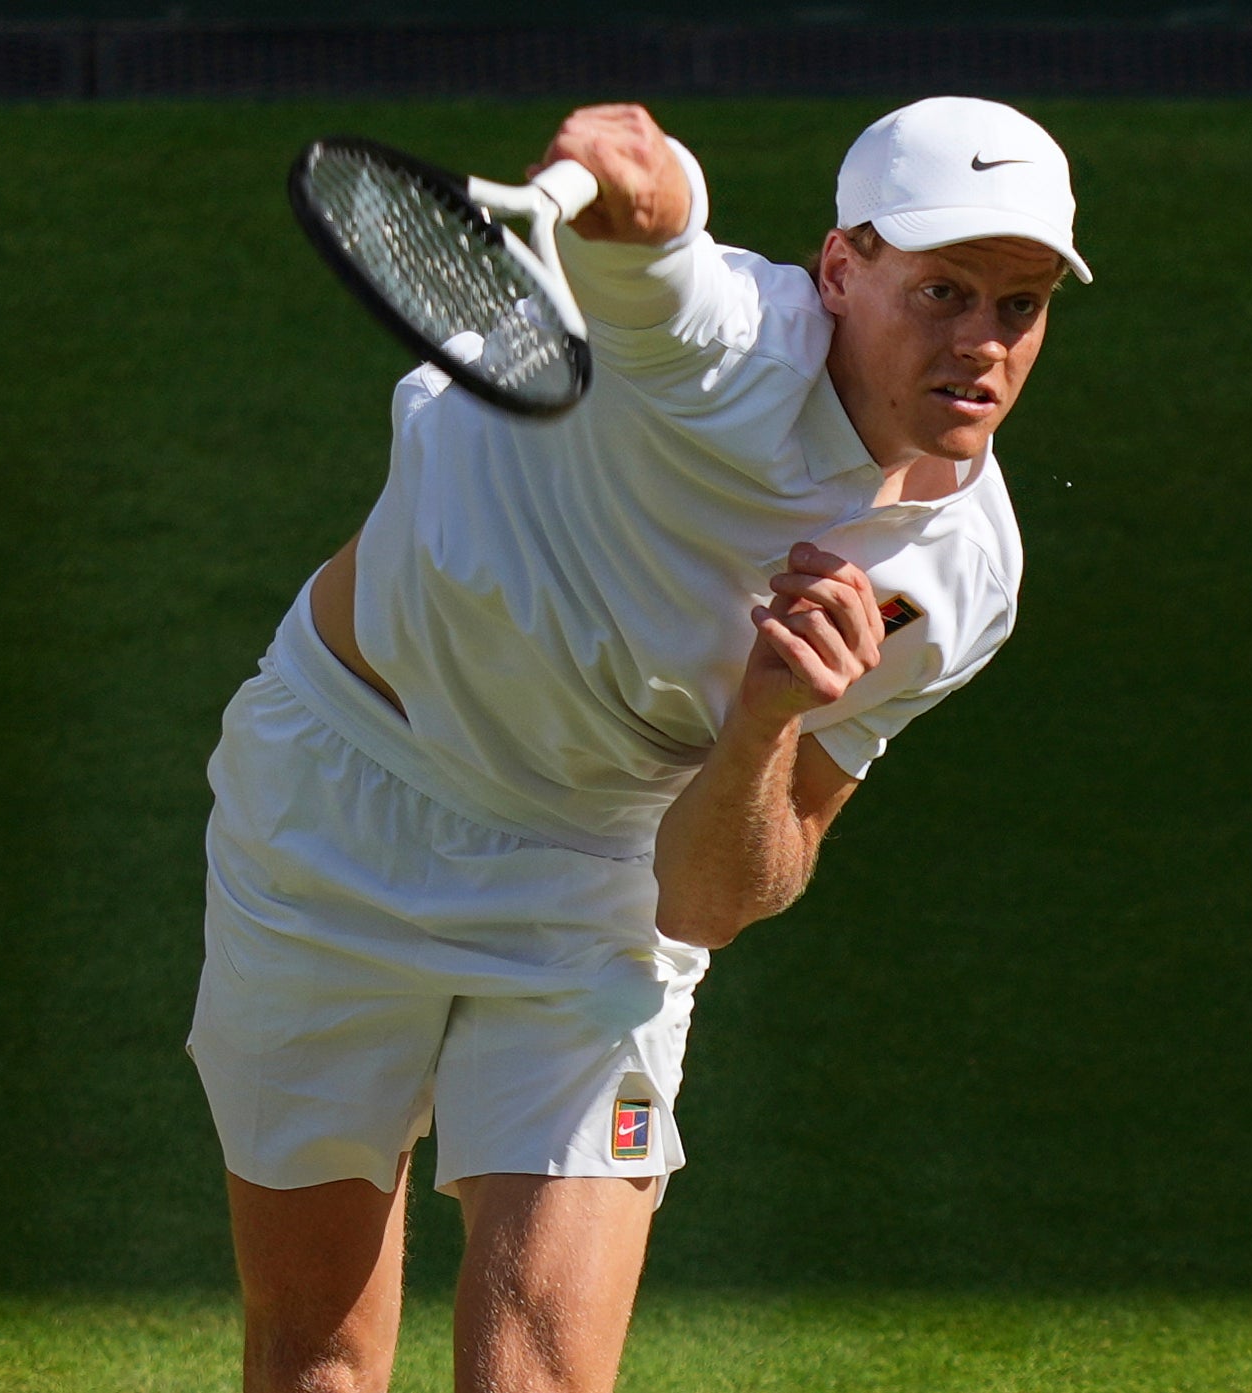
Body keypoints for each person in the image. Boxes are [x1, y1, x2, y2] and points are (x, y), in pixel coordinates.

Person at [186, 95, 1090, 1393]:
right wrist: (644, 178)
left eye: (1019, 305)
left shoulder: (964, 587)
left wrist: (768, 719)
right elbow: (656, 246)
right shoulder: (724, 344)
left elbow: (709, 900)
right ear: (840, 272)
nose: (982, 342)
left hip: (601, 886)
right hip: (341, 804)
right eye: (941, 290)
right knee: (317, 1353)